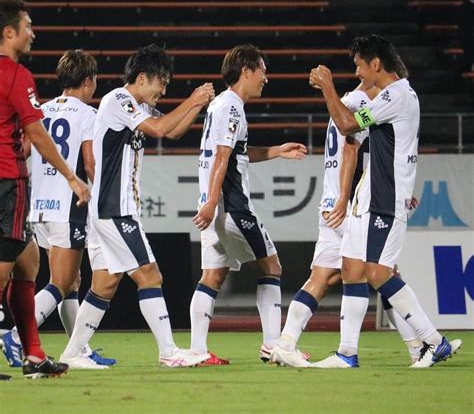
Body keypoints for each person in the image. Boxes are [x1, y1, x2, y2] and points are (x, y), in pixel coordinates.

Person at [309, 34, 462, 368]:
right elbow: (358, 129)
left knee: (378, 272)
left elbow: (347, 123)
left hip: (385, 198)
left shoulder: (399, 95)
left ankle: (434, 341)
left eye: (360, 66)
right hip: (367, 196)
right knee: (351, 268)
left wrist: (327, 87)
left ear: (375, 63)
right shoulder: (392, 95)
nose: (358, 73)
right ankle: (347, 353)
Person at [59, 44, 215, 369]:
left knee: (104, 283)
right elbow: (159, 129)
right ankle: (169, 352)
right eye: (162, 82)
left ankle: (72, 353)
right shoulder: (118, 99)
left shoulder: (137, 106)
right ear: (142, 77)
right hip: (115, 209)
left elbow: (171, 130)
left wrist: (196, 107)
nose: (164, 90)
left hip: (105, 210)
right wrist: (194, 99)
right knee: (150, 274)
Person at [270, 81, 424, 368]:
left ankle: (285, 343)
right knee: (384, 272)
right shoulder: (362, 104)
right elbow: (353, 151)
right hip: (350, 204)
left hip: (329, 204)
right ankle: (417, 347)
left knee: (323, 278)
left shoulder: (343, 102)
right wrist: (346, 199)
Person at [190, 44, 307, 365]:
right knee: (272, 267)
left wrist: (277, 150)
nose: (265, 78)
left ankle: (198, 351)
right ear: (246, 71)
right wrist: (214, 200)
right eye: (263, 71)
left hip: (215, 206)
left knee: (212, 276)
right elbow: (222, 157)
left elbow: (237, 152)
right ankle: (273, 345)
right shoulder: (231, 107)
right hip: (232, 207)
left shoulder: (221, 105)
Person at [1, 50, 115, 368]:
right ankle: (14, 336)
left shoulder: (43, 109)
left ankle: (80, 347)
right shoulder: (88, 115)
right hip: (68, 206)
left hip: (38, 206)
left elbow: (22, 149)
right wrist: (101, 191)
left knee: (71, 281)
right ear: (89, 80)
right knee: (61, 282)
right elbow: (90, 163)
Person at [0, 0, 90, 379]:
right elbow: (37, 133)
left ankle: (34, 354)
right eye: (28, 26)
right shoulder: (17, 76)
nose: (33, 32)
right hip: (8, 182)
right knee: (5, 269)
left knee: (29, 260)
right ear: (9, 32)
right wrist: (71, 177)